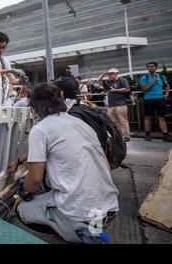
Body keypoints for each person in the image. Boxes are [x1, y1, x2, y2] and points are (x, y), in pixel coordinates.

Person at [16, 83, 119, 244]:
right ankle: (88, 231)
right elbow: (105, 166)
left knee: (21, 209)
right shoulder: (82, 124)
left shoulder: (40, 129)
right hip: (108, 207)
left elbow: (34, 180)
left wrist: (22, 190)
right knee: (51, 186)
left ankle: (77, 232)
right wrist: (19, 160)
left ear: (35, 106)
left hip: (80, 212)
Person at [0, 31, 26, 107]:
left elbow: (12, 80)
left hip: (5, 101)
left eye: (3, 47)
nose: (1, 50)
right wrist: (10, 70)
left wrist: (21, 80)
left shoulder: (4, 61)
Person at [140, 62, 172, 142]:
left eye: (152, 66)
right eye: (148, 67)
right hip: (149, 99)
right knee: (148, 117)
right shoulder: (144, 78)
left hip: (160, 99)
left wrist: (167, 93)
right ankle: (147, 134)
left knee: (162, 117)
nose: (150, 68)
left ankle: (165, 135)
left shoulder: (161, 77)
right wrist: (153, 83)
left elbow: (167, 85)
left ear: (156, 67)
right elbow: (144, 89)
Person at [99, 68, 131, 142]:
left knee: (123, 121)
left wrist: (115, 90)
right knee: (114, 122)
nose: (110, 75)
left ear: (116, 74)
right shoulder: (108, 82)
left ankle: (126, 136)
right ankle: (119, 135)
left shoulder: (122, 80)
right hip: (111, 105)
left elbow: (127, 89)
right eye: (109, 74)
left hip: (121, 104)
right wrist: (103, 75)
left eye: (112, 74)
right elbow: (98, 82)